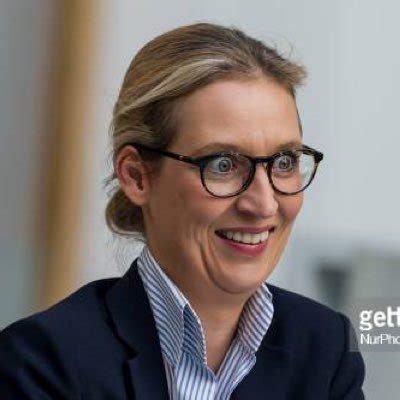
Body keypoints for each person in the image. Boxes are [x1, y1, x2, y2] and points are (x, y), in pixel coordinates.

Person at [0, 23, 365, 399]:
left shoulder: (325, 350)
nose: (264, 204)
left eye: (284, 161)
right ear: (137, 176)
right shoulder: (43, 362)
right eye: (223, 164)